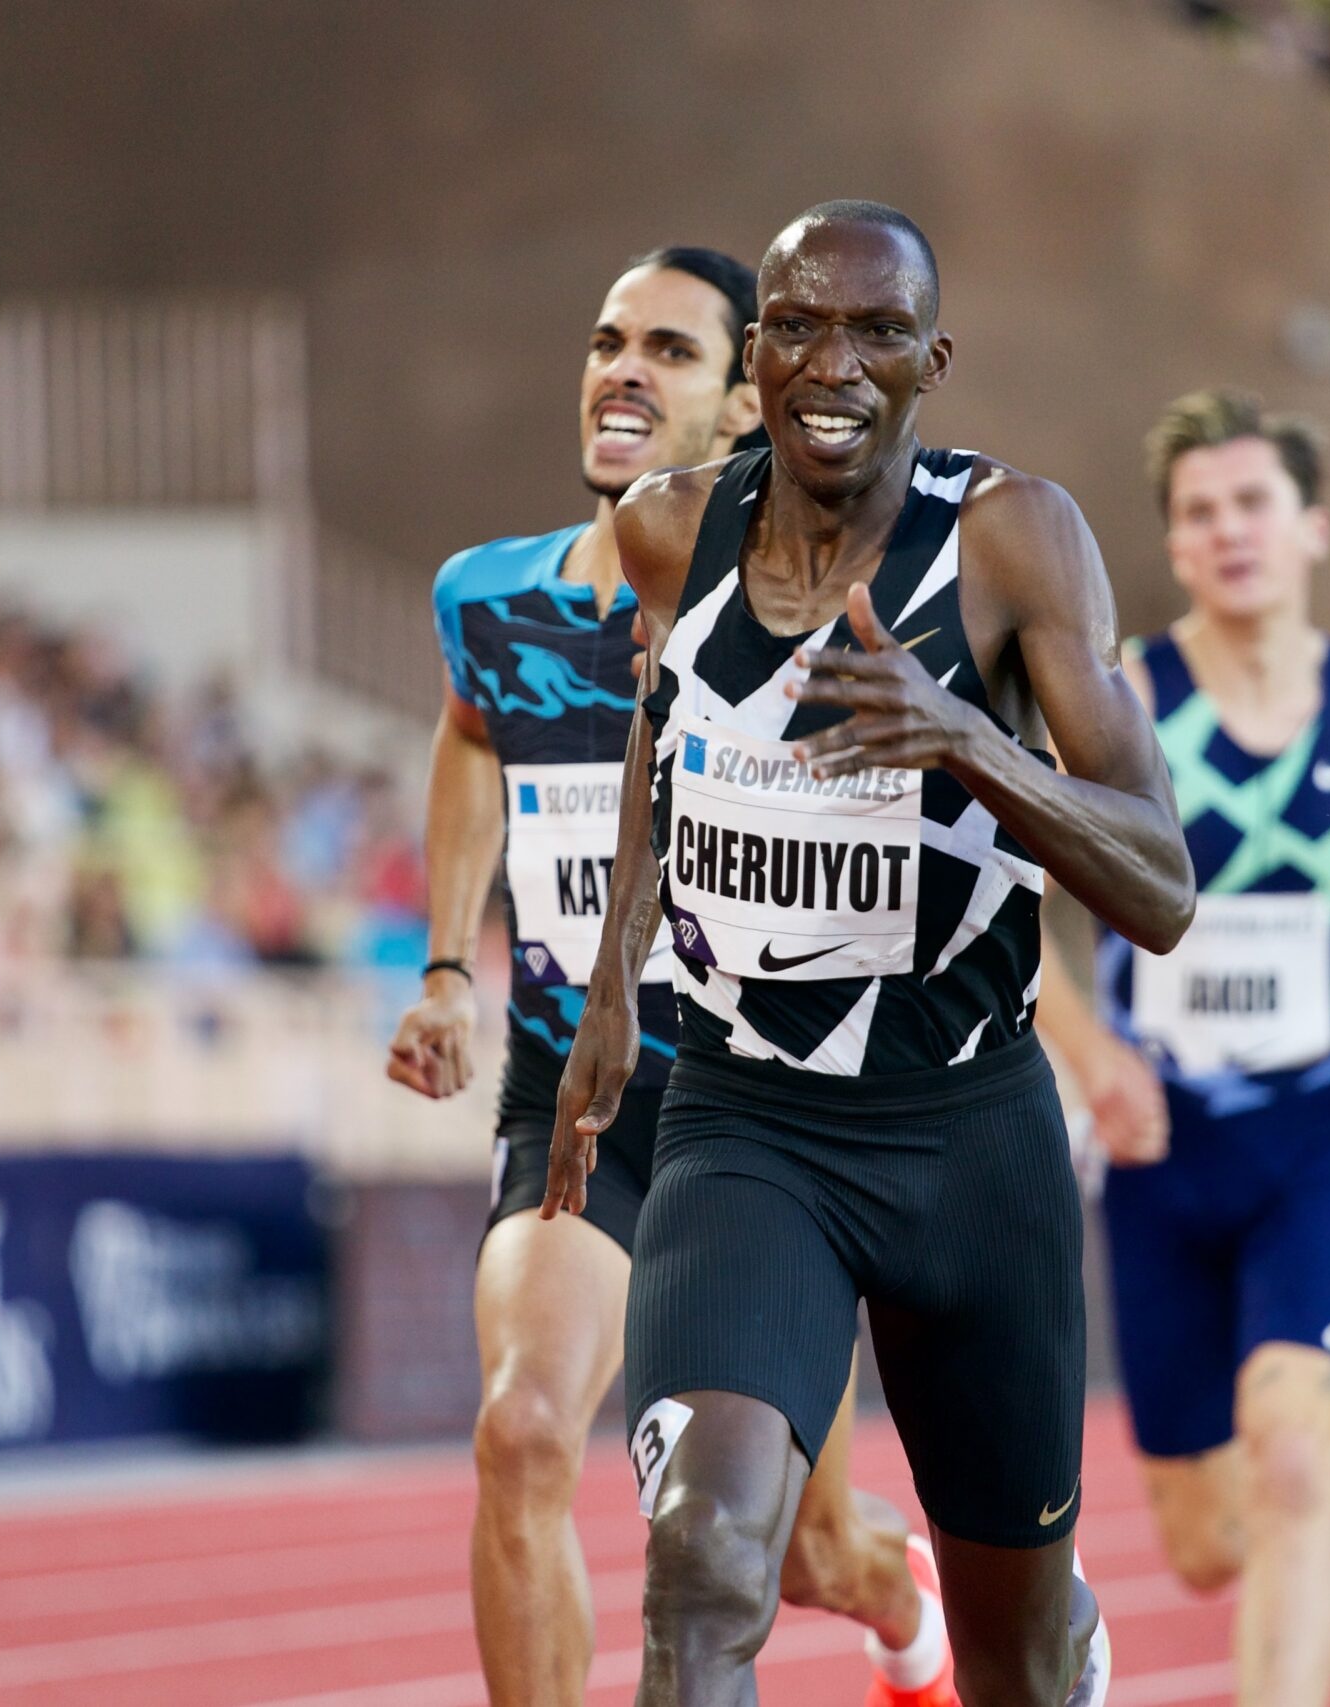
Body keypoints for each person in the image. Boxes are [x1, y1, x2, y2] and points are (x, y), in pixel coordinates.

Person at [550, 200, 1195, 1707]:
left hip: (969, 1136)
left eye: (878, 331)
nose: (834, 362)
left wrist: (971, 740)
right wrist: (610, 983)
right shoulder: (666, 527)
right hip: (747, 1119)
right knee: (706, 1555)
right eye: (799, 325)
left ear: (932, 359)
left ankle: (1058, 1632)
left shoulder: (1012, 537)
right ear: (757, 352)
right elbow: (667, 737)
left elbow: (1161, 882)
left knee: (1014, 1661)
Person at [385, 245, 943, 1707]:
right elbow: (467, 734)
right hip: (580, 1101)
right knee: (519, 1432)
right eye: (606, 338)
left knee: (801, 1555)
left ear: (741, 415)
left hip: (765, 1122)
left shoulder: (797, 618)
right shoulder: (487, 598)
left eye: (673, 352)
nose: (623, 367)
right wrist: (450, 961)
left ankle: (906, 1607)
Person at [1032, 388, 1330, 1706]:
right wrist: (1093, 1055)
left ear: (1312, 526)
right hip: (1160, 1148)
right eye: (1199, 512)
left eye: (1253, 503)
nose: (1228, 530)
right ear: (1174, 544)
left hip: (1318, 1137)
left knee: (1298, 1463)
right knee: (1203, 1542)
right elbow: (1008, 902)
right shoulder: (1117, 695)